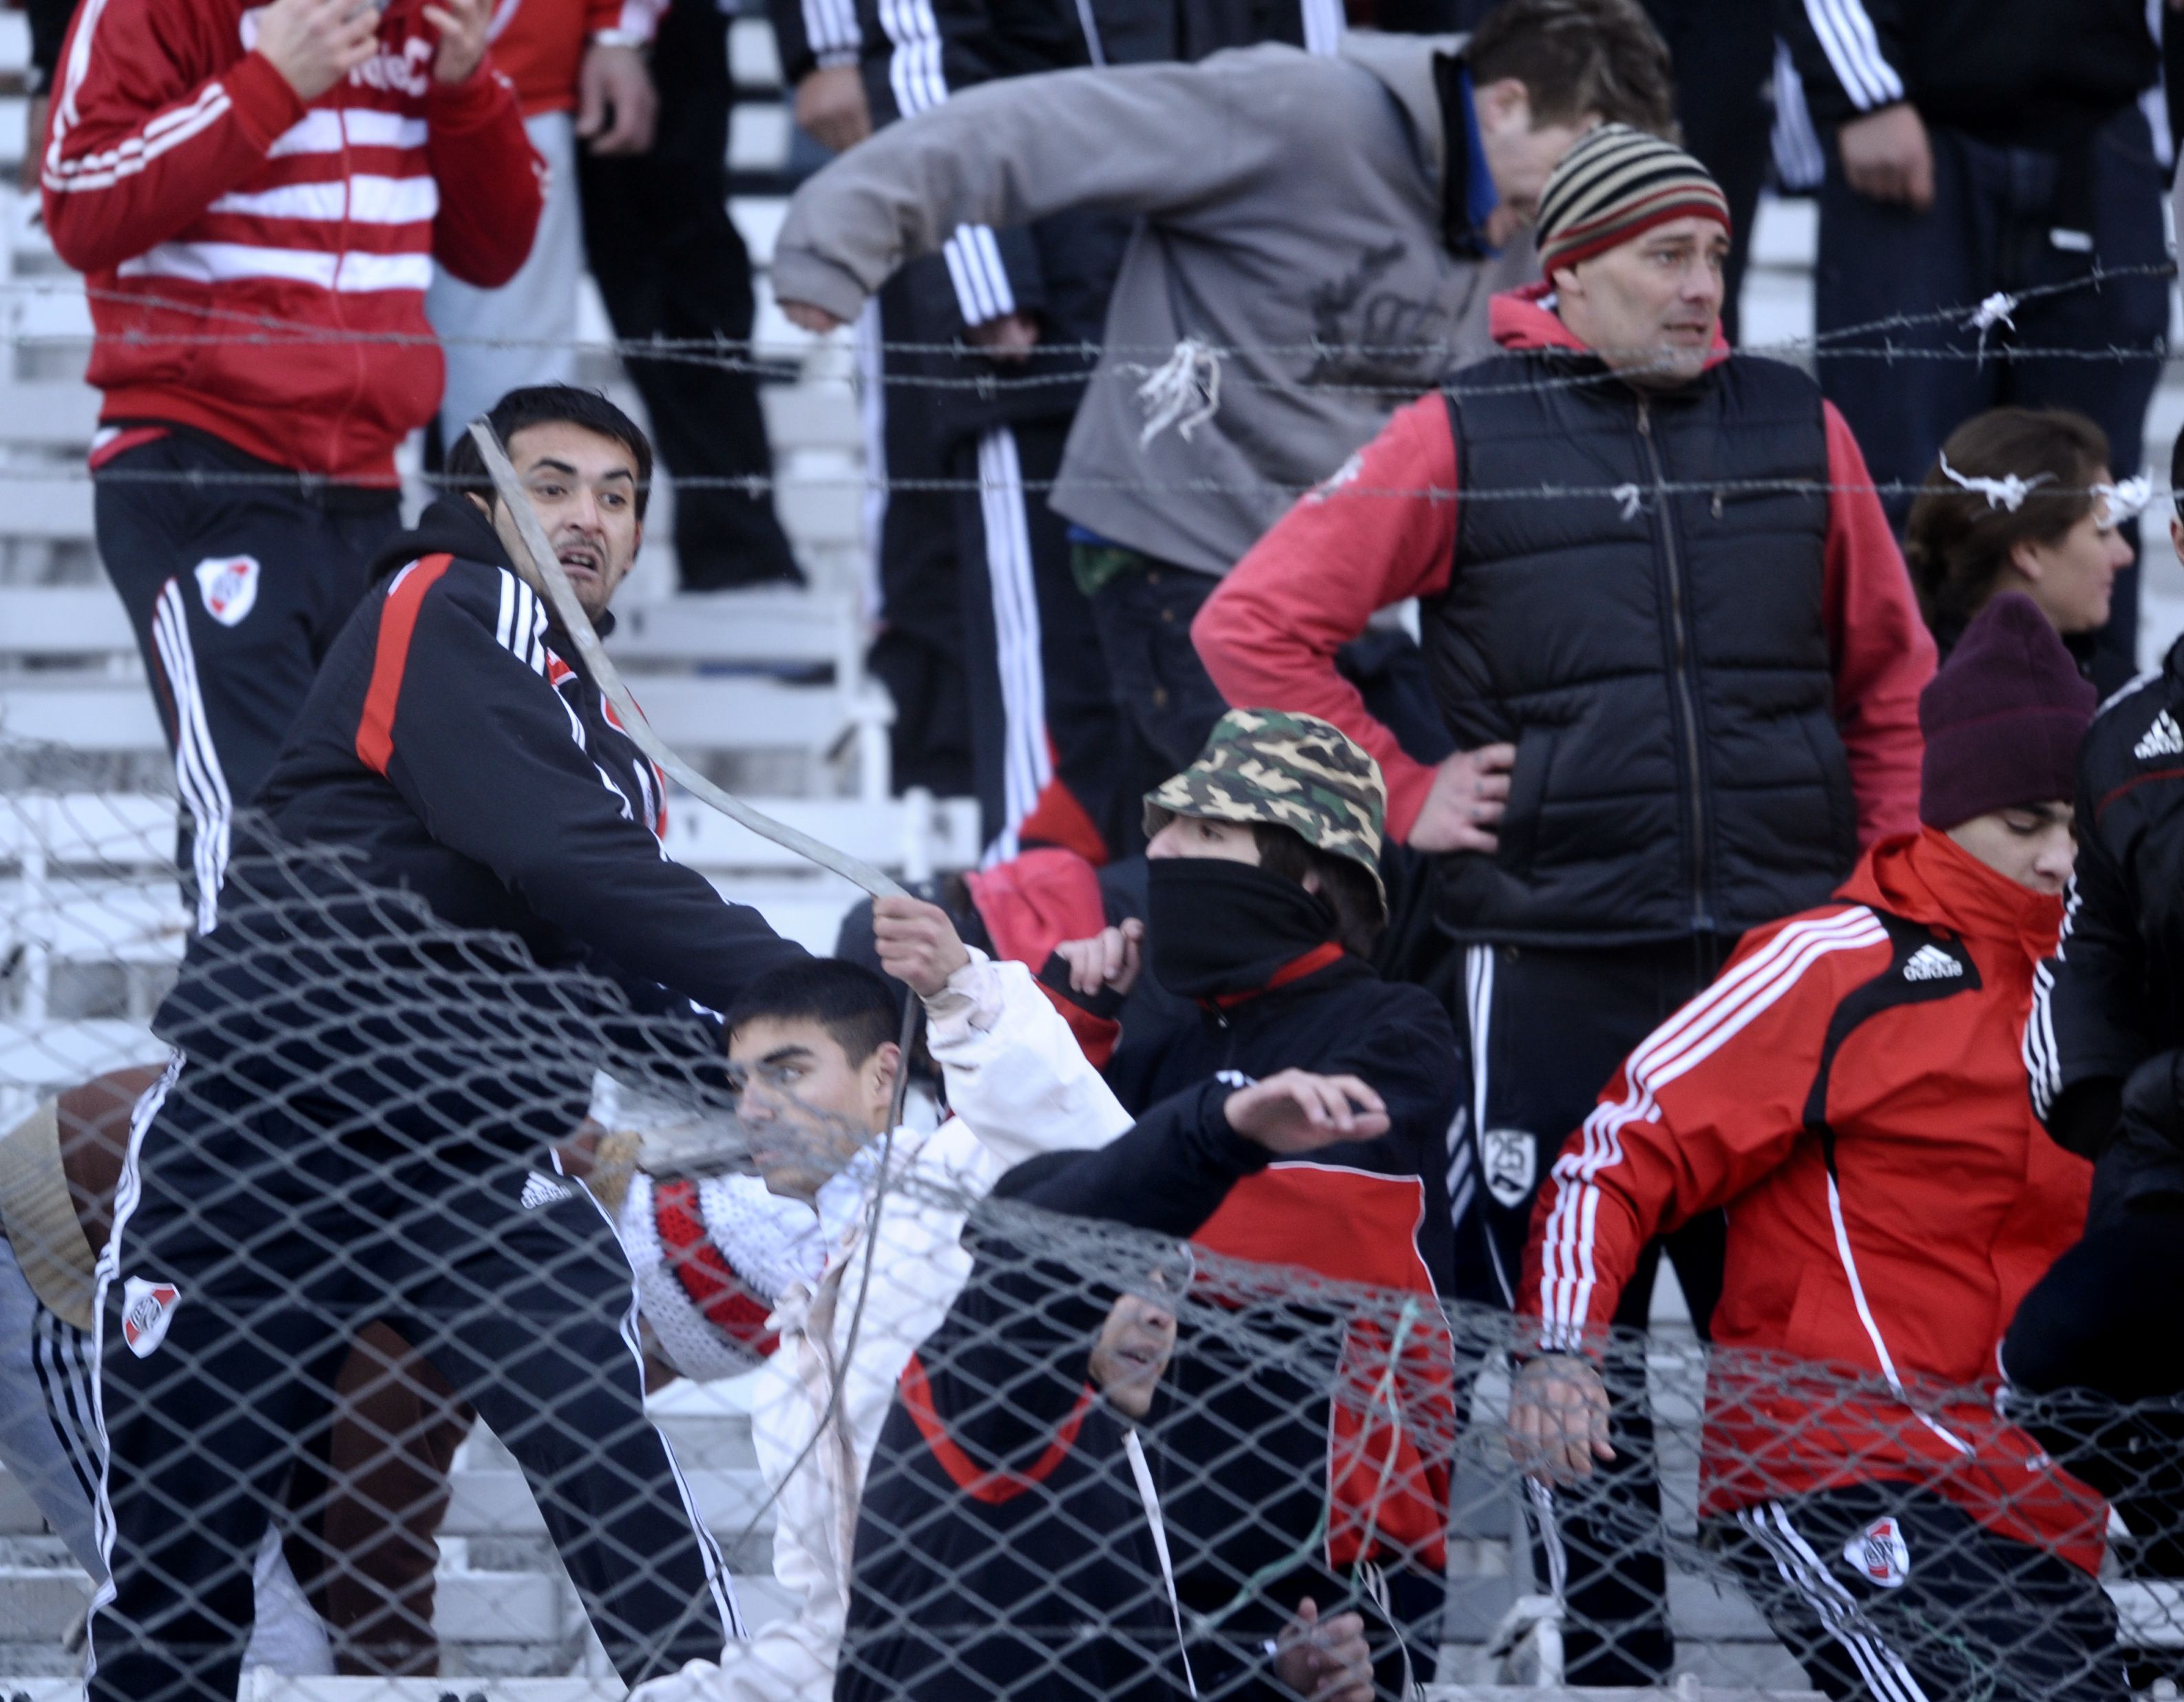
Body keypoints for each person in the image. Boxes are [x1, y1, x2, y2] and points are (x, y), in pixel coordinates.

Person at [1194, 123, 1935, 1681]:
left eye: (1715, 254)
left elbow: (1891, 682)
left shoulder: (1796, 419)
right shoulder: (1461, 428)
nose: (1702, 285)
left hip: (1769, 971)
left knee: (1780, 1346)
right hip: (1545, 962)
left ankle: (1857, 1652)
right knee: (1559, 1348)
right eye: (1667, 256)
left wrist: (1880, 892)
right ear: (1572, 274)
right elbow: (1252, 626)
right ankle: (1603, 1670)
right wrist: (1402, 789)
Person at [87, 385, 810, 1702]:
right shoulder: (441, 600)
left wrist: (772, 1079)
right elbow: (563, 859)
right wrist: (813, 997)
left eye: (618, 496)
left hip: (480, 1166)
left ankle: (711, 1689)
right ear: (480, 500)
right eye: (552, 482)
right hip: (262, 1138)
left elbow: (599, 966)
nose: (587, 517)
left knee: (625, 1501)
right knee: (178, 1571)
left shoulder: (606, 724)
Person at [769, 0, 1677, 775]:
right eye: (1569, 170)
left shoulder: (1535, 217)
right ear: (1506, 105)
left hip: (1338, 597)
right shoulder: (1296, 109)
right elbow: (1035, 130)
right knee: (1312, 845)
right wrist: (843, 227)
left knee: (1487, 816)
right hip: (1180, 567)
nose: (1569, 208)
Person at [1508, 593, 2118, 1702]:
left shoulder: (2112, 992)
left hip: (2035, 1493)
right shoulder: (1833, 964)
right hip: (1836, 1460)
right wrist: (1559, 1353)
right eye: (2025, 823)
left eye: (2081, 825)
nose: (2058, 858)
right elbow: (1618, 1152)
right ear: (1949, 813)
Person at [866, 709, 1464, 1685]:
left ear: (1311, 875)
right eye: (1166, 829)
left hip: (1336, 1531)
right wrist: (1077, 1025)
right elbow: (1025, 1195)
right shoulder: (1168, 1041)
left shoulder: (1395, 1028)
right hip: (1155, 1508)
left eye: (1207, 831)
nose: (1163, 851)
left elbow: (1292, 1222)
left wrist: (1138, 1140)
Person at [39, 0, 541, 918]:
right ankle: (235, 1020)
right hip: (202, 466)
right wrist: (268, 84)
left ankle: (339, 1020)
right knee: (260, 828)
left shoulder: (418, 21)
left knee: (369, 833)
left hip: (368, 488)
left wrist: (466, 89)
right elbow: (76, 204)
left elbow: (497, 249)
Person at [629, 949, 1133, 1702]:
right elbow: (834, 1629)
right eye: (740, 1083)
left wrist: (961, 990)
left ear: (883, 1077)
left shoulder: (963, 1174)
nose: (753, 1108)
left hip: (1066, 1655)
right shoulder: (791, 1365)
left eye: (786, 1073)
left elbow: (1100, 1160)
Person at [836, 1075, 1394, 1702]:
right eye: (1124, 1274)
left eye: (1170, 1284)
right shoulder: (977, 1398)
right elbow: (1037, 1269)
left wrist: (1278, 1685)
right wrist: (1219, 1129)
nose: (1160, 1314)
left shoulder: (1110, 1450)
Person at [0, 1071, 473, 1677]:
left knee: (249, 1626)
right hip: (47, 1269)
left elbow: (341, 1507)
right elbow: (372, 1530)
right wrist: (397, 1685)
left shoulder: (470, 1200)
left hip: (151, 1274)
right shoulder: (460, 1263)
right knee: (259, 1639)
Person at [1775, 0, 2167, 679]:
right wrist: (1862, 89)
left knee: (2097, 507)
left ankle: (2093, 739)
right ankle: (1910, 733)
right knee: (1907, 495)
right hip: (1918, 122)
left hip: (2104, 122)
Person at [2005, 425, 2184, 1580]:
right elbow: (2093, 956)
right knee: (2046, 1359)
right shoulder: (2127, 736)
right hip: (2168, 1168)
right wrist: (2116, 1122)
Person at [578, 0, 804, 590]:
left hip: (654, 31)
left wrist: (622, 31)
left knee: (683, 280)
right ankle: (468, 537)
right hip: (495, 34)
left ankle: (739, 562)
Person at [427, 0, 660, 447]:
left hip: (516, 78)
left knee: (511, 392)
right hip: (321, 85)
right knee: (325, 361)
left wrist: (617, 26)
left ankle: (503, 493)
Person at [1902, 408, 2143, 689]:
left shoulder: (2120, 689)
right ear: (2028, 552)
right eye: (2102, 533)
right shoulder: (1919, 699)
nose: (2126, 556)